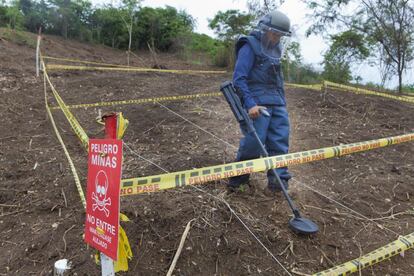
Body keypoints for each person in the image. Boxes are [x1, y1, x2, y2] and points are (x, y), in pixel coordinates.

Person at [229, 10, 292, 195]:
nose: (277, 38)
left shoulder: (277, 49)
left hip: (278, 103)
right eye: (274, 33)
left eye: (280, 35)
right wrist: (250, 104)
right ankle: (238, 182)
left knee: (279, 143)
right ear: (264, 29)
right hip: (257, 104)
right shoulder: (249, 45)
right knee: (254, 143)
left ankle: (277, 185)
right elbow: (239, 79)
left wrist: (282, 102)